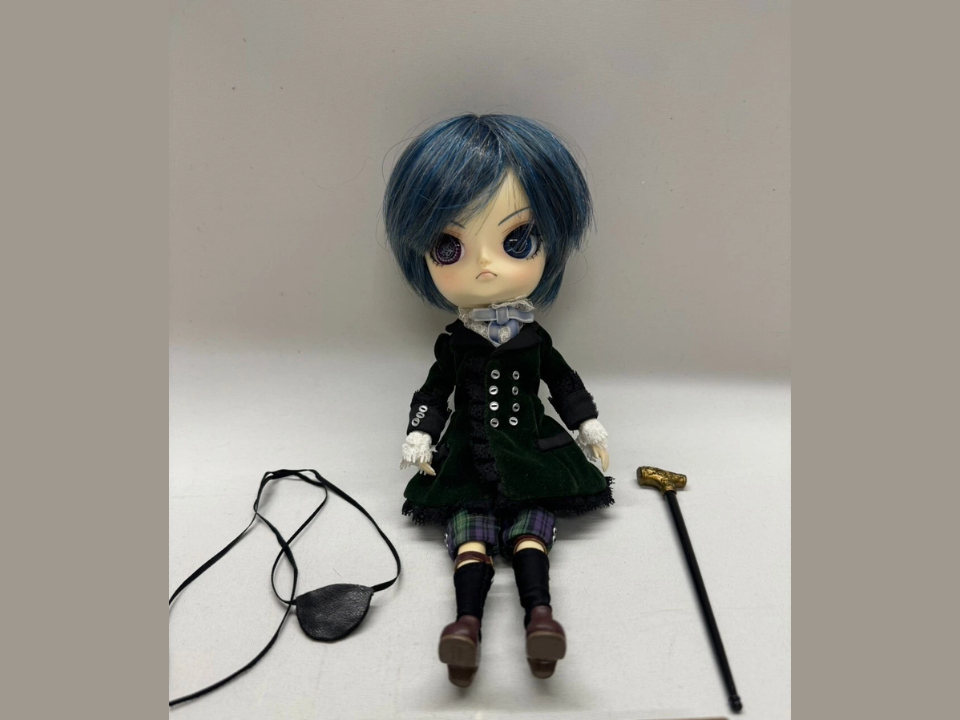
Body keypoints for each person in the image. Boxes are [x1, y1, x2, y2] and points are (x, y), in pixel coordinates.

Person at [383, 114, 613, 687]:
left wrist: (587, 424)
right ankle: (465, 626)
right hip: (468, 456)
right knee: (471, 539)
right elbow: (434, 392)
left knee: (531, 535)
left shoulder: (534, 338)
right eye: (449, 246)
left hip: (533, 452)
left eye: (517, 241)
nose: (485, 266)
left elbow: (563, 382)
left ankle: (541, 619)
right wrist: (420, 433)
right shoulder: (455, 343)